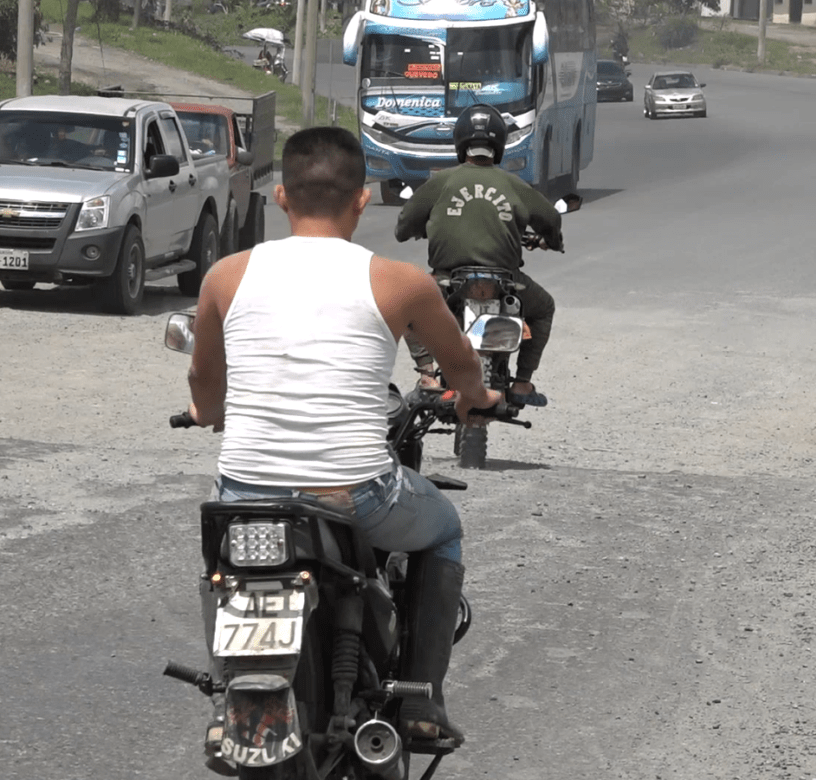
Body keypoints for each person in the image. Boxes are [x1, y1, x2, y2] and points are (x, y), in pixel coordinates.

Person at [185, 126, 501, 765]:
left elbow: (205, 385)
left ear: (280, 197)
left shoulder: (226, 275)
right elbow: (462, 365)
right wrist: (477, 399)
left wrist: (205, 412)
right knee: (443, 530)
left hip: (244, 495)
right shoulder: (399, 282)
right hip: (356, 494)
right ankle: (420, 703)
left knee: (227, 570)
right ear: (362, 201)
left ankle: (229, 694)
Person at [394, 103, 563, 407]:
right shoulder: (514, 184)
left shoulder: (441, 182)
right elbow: (550, 217)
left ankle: (428, 377)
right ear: (499, 145)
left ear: (460, 143)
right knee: (544, 308)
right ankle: (522, 383)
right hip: (507, 281)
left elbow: (405, 224)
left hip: (449, 280)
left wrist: (413, 230)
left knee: (407, 301)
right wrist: (552, 239)